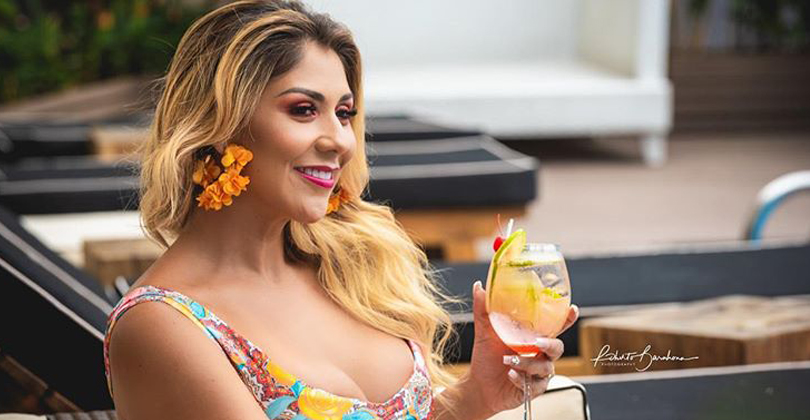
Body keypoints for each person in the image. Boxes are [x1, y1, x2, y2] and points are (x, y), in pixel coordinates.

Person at [103, 1, 580, 419]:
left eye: (344, 113)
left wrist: (476, 396)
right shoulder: (163, 326)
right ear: (219, 124)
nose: (339, 141)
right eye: (303, 110)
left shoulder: (348, 268)